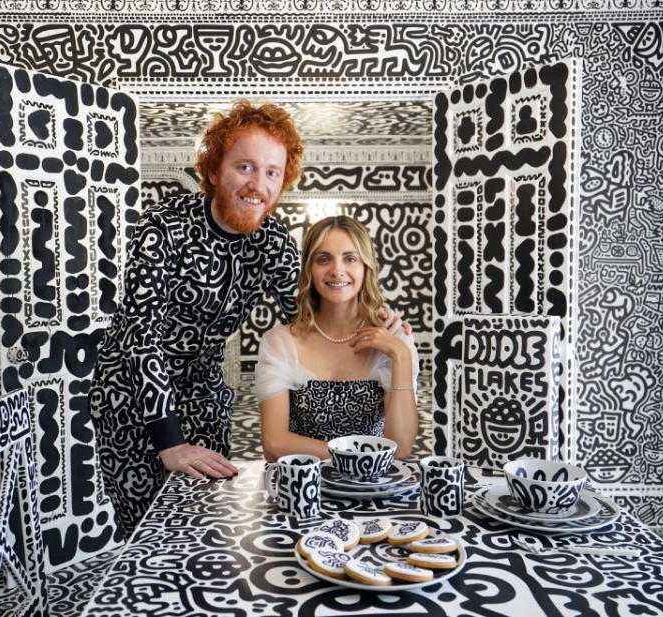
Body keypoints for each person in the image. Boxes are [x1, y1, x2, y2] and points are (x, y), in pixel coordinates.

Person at [90, 102, 406, 538]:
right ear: (215, 170)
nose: (259, 184)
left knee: (205, 523)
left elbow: (308, 315)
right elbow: (142, 333)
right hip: (132, 401)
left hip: (203, 395)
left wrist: (380, 322)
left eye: (272, 172)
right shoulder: (161, 226)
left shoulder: (272, 241)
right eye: (245, 167)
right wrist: (168, 439)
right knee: (149, 530)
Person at [256, 216, 419, 462]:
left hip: (371, 490)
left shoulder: (393, 340)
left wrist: (402, 355)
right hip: (303, 489)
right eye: (324, 259)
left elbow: (401, 447)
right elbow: (274, 444)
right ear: (309, 268)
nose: (337, 270)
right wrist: (362, 458)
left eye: (350, 258)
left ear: (366, 267)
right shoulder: (280, 342)